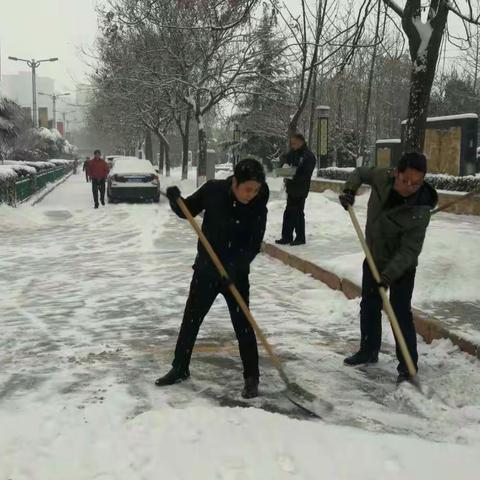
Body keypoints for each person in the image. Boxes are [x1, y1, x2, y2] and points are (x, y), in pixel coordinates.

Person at [155, 158, 269, 399]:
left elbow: (253, 245)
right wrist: (176, 199)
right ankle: (179, 367)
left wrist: (234, 269)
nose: (252, 194)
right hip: (206, 270)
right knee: (191, 320)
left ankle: (251, 377)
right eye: (248, 189)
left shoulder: (258, 204)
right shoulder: (213, 190)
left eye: (256, 190)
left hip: (236, 275)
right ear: (235, 181)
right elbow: (187, 211)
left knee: (243, 325)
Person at [339, 152, 438, 384]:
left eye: (417, 183)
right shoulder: (382, 177)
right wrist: (349, 190)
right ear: (396, 173)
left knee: (399, 312)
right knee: (370, 304)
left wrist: (387, 276)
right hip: (373, 255)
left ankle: (407, 365)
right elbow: (360, 173)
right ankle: (368, 350)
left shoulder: (420, 211)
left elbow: (409, 251)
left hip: (401, 267)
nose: (410, 187)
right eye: (406, 181)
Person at [275, 133, 316, 246]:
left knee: (298, 212)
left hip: (301, 188)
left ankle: (300, 237)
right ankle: (286, 236)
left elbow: (306, 173)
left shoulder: (308, 156)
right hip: (291, 187)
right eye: (291, 143)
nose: (292, 145)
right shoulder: (292, 153)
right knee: (288, 212)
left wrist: (292, 174)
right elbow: (283, 161)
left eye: (294, 143)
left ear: (301, 142)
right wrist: (284, 165)